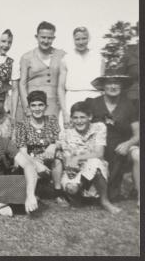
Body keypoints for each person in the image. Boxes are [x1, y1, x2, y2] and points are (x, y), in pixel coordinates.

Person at [85, 70, 139, 204]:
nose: (113, 86)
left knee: (138, 154)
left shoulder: (130, 105)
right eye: (109, 83)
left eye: (117, 83)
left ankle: (139, 195)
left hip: (120, 147)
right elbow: (82, 126)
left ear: (122, 86)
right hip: (97, 146)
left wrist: (128, 144)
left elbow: (138, 134)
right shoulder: (92, 103)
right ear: (103, 86)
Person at [58, 101, 121, 214]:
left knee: (95, 162)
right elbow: (67, 159)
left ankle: (104, 200)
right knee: (72, 188)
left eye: (82, 117)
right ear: (71, 119)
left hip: (94, 167)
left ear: (90, 117)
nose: (79, 121)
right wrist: (72, 163)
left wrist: (78, 158)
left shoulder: (99, 128)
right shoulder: (66, 133)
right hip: (75, 169)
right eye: (75, 118)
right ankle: (76, 196)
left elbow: (99, 153)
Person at [15, 90, 66, 204]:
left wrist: (53, 145)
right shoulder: (22, 125)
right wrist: (36, 163)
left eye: (40, 105)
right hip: (32, 158)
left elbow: (60, 139)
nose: (37, 109)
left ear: (46, 106)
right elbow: (22, 152)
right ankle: (34, 192)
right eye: (33, 105)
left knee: (58, 155)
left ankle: (58, 192)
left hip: (49, 157)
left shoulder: (52, 120)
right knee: (28, 164)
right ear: (28, 108)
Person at [58, 27, 104, 128]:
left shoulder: (98, 57)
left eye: (84, 38)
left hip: (94, 98)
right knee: (69, 133)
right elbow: (61, 88)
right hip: (72, 98)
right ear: (73, 40)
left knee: (94, 132)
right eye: (77, 39)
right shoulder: (66, 58)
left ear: (89, 39)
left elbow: (103, 86)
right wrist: (65, 112)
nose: (81, 42)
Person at [19, 21, 66, 119]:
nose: (46, 41)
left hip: (54, 106)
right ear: (37, 37)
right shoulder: (27, 57)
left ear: (54, 38)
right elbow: (22, 84)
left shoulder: (61, 55)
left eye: (49, 38)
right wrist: (26, 107)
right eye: (43, 37)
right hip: (34, 105)